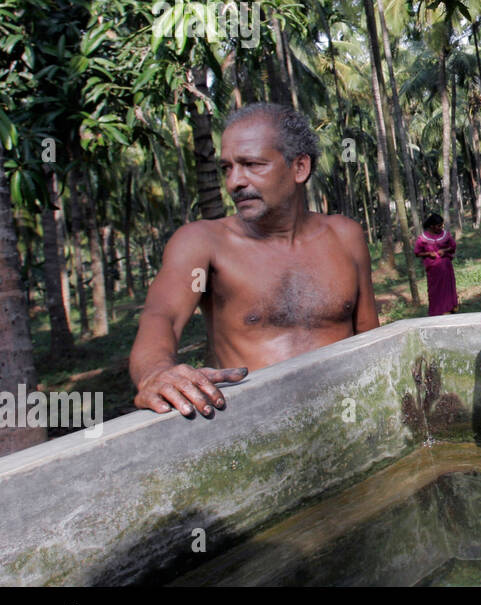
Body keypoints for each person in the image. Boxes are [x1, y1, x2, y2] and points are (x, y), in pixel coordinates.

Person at [128, 103, 379, 418]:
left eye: (251, 164)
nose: (235, 182)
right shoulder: (203, 244)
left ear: (299, 167)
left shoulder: (346, 237)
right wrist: (155, 372)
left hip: (344, 420)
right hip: (254, 431)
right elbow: (160, 316)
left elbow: (370, 336)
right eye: (227, 168)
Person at [414, 213, 459, 316]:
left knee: (448, 287)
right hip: (433, 270)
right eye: (439, 226)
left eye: (442, 225)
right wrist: (429, 253)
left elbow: (452, 246)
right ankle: (437, 311)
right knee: (435, 290)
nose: (441, 228)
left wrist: (444, 250)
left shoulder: (445, 235)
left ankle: (450, 307)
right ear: (431, 226)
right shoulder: (422, 239)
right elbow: (417, 252)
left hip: (446, 268)